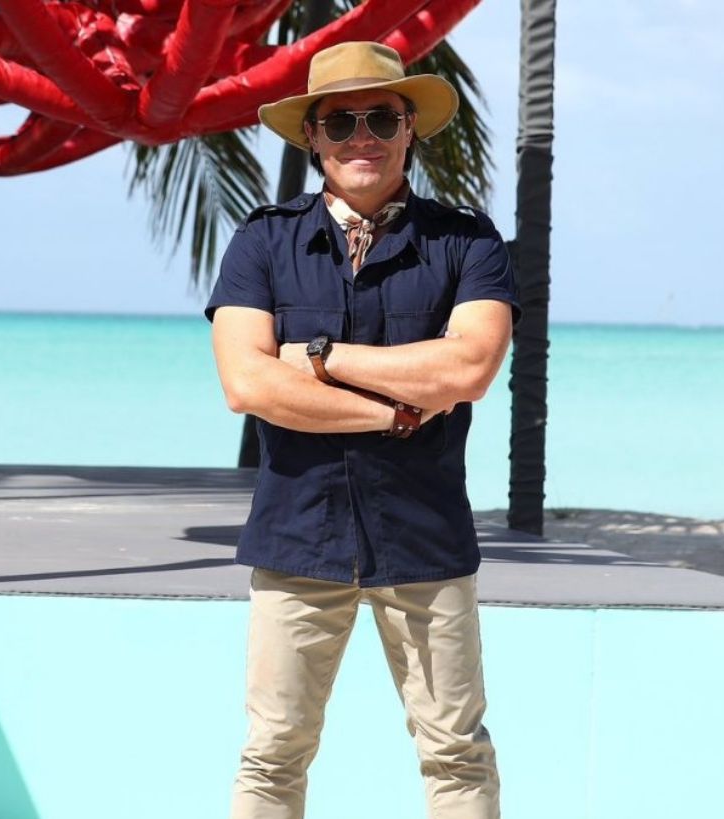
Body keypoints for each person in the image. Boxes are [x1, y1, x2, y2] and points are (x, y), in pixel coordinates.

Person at [205, 40, 519, 819]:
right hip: (297, 536)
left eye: (381, 117)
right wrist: (393, 410)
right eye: (340, 123)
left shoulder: (467, 241)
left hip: (424, 537)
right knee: (272, 753)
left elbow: (470, 367)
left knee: (456, 751)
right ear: (313, 137)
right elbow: (247, 384)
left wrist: (319, 358)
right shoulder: (263, 240)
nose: (362, 137)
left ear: (410, 128)